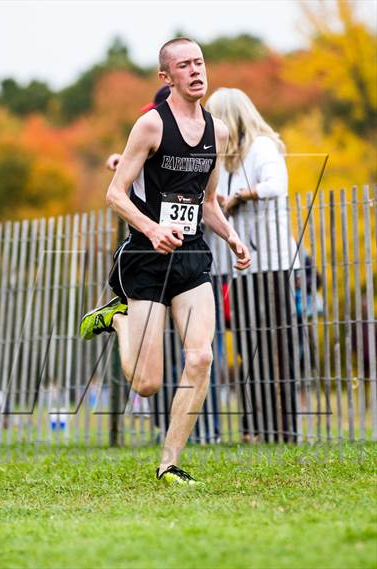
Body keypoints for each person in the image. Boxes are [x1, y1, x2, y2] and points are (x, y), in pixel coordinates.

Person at [80, 38, 251, 484]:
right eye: (185, 65)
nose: (196, 71)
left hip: (192, 257)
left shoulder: (220, 132)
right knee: (147, 384)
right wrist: (153, 229)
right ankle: (118, 320)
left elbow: (209, 201)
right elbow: (114, 194)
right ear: (166, 77)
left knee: (201, 357)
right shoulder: (151, 126)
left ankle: (169, 463)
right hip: (147, 256)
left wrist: (232, 237)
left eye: (200, 62)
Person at [205, 88, 300, 443]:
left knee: (277, 346)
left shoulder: (262, 147)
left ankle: (284, 429)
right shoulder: (224, 160)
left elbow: (278, 185)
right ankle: (254, 427)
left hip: (272, 265)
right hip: (240, 269)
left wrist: (241, 197)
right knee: (247, 347)